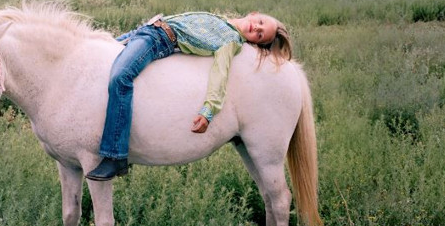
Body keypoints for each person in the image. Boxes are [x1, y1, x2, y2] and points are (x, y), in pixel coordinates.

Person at [85, 11, 293, 181]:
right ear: (254, 14)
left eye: (259, 35)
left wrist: (208, 111)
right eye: (260, 23)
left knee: (121, 77)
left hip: (158, 39)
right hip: (147, 29)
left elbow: (220, 76)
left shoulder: (230, 41)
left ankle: (115, 155)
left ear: (255, 43)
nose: (256, 28)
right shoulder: (222, 20)